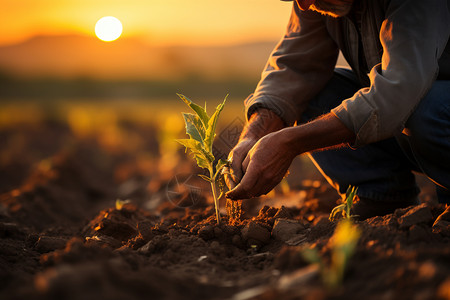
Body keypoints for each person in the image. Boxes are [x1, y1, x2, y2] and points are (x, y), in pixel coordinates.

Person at [224, 0, 450, 220]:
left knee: (427, 105)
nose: (303, 5)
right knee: (310, 93)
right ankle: (383, 197)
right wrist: (252, 136)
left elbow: (398, 91)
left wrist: (289, 143)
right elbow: (293, 68)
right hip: (405, 128)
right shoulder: (313, 1)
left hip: (431, 113)